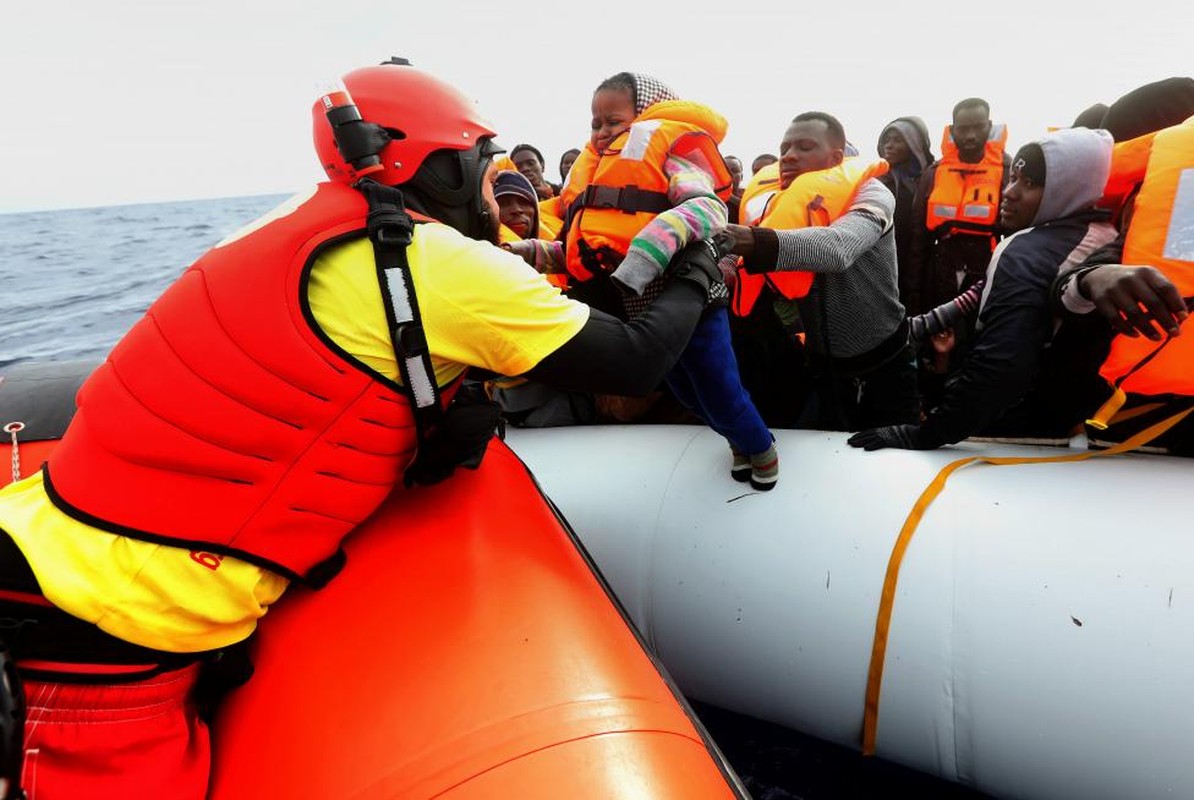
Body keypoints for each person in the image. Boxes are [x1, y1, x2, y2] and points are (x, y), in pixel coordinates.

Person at [0, 58, 730, 798]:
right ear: (439, 166)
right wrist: (698, 263)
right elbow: (634, 362)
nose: (492, 180)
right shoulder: (435, 263)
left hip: (47, 536)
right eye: (482, 161)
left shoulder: (295, 224)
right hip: (104, 627)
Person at [509, 72, 778, 488]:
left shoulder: (670, 154)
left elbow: (707, 210)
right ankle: (738, 441)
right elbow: (585, 254)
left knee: (718, 386)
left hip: (695, 300)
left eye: (613, 122)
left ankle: (760, 448)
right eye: (595, 123)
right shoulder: (600, 173)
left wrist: (644, 255)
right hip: (646, 312)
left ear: (645, 115)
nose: (601, 133)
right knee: (687, 393)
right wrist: (530, 252)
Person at [848, 127, 1119, 451]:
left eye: (1029, 183)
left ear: (1067, 190)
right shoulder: (1101, 233)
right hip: (1088, 417)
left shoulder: (1025, 252)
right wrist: (915, 328)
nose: (1009, 191)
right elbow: (984, 290)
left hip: (1022, 429)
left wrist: (927, 433)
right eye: (1014, 178)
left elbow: (1000, 369)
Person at [724, 112, 918, 432]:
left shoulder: (872, 195)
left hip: (884, 362)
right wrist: (725, 263)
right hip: (822, 367)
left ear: (836, 157)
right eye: (785, 147)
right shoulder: (776, 201)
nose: (789, 155)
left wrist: (753, 242)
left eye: (804, 147)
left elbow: (839, 248)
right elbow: (741, 258)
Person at [907, 98, 1011, 316]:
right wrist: (913, 295)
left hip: (987, 268)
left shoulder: (1008, 172)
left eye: (978, 127)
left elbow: (1017, 236)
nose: (970, 135)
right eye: (964, 129)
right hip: (941, 267)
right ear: (953, 130)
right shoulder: (933, 174)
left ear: (989, 126)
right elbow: (918, 240)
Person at [876, 116, 934, 312]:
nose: (889, 146)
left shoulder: (932, 179)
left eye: (897, 140)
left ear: (914, 144)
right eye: (886, 140)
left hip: (921, 265)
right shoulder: (875, 182)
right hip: (884, 266)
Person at [493, 169, 541, 240]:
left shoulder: (556, 249)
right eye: (503, 204)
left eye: (524, 202)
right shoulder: (473, 250)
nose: (516, 210)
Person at [724, 155, 744, 224]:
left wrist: (728, 195)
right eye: (725, 170)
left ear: (741, 177)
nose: (730, 174)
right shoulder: (709, 196)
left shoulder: (750, 197)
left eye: (734, 171)